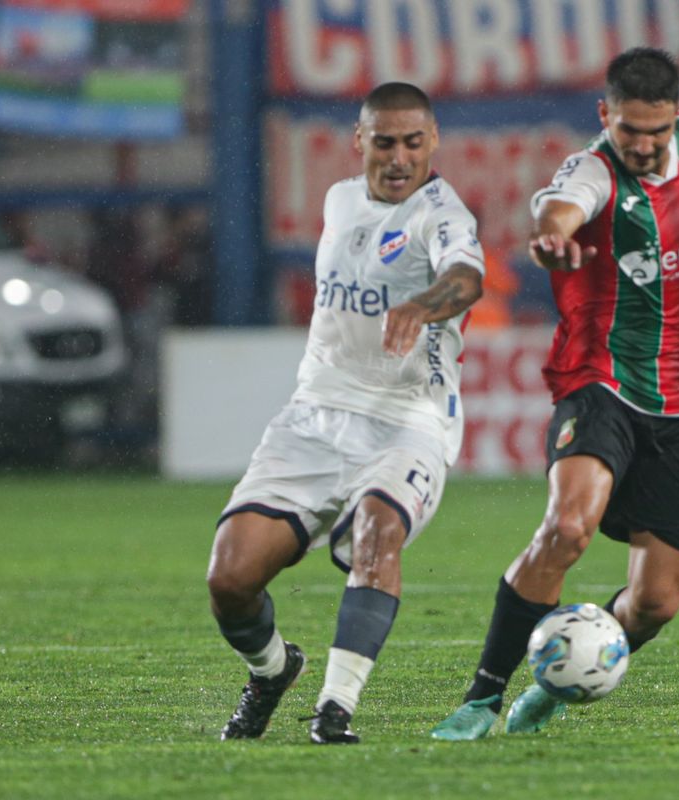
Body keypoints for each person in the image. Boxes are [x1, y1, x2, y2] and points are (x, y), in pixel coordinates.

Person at [429, 47, 679, 741]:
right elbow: (557, 212)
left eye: (655, 131)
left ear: (676, 116)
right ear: (603, 115)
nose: (642, 146)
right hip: (603, 379)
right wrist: (552, 241)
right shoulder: (592, 172)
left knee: (656, 604)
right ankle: (481, 699)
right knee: (568, 527)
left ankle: (555, 689)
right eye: (626, 131)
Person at [206, 82, 484, 744]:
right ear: (360, 142)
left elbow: (466, 278)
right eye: (384, 142)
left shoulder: (444, 216)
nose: (398, 157)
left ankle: (336, 708)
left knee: (377, 533)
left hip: (408, 422)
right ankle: (273, 671)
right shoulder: (338, 200)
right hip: (314, 419)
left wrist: (424, 303)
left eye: (413, 142)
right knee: (230, 577)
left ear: (433, 141)